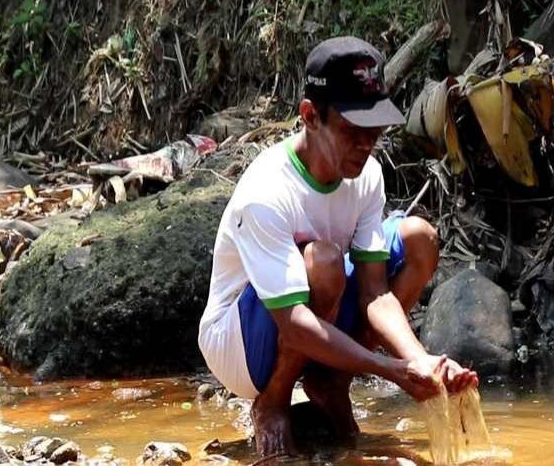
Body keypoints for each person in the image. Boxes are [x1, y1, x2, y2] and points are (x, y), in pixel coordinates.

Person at [198, 36, 479, 456]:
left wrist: (421, 363)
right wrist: (391, 370)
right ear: (310, 116)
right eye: (352, 131)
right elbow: (292, 321)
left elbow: (375, 292)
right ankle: (273, 401)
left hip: (312, 311)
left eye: (375, 130)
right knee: (325, 261)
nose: (366, 145)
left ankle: (331, 384)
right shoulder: (267, 191)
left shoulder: (366, 175)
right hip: (239, 342)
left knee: (419, 239)